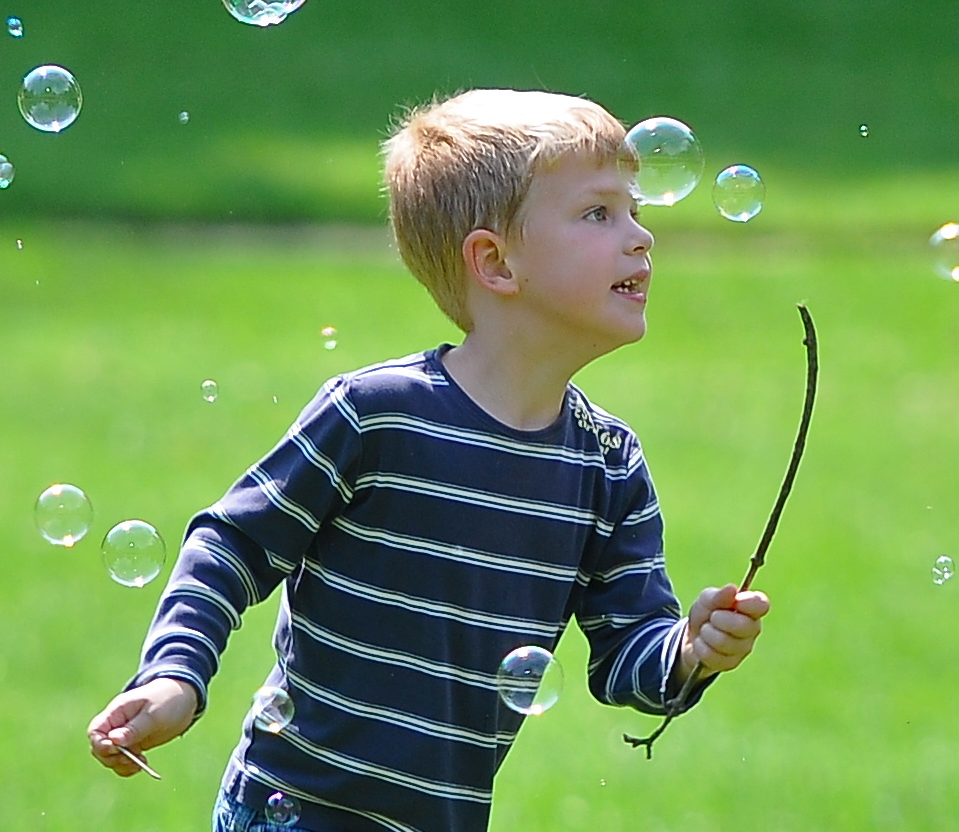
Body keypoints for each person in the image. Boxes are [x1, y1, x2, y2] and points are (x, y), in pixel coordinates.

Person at [85, 89, 769, 831]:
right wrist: (175, 676)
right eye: (598, 212)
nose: (642, 237)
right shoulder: (376, 414)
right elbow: (233, 543)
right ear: (496, 262)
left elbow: (628, 651)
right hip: (291, 814)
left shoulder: (607, 465)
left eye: (635, 209)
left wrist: (690, 650)